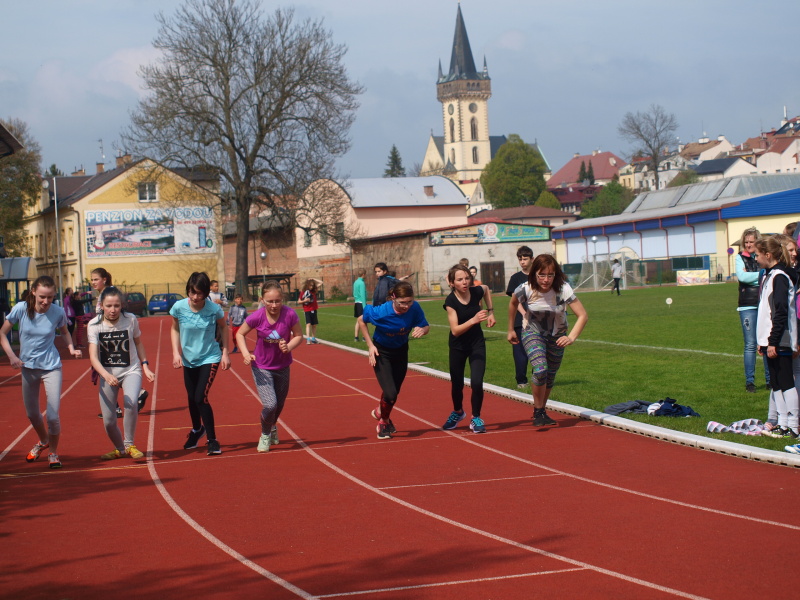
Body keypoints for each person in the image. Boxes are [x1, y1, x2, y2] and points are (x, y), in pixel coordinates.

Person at [0, 275, 82, 469]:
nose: (46, 301)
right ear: (33, 292)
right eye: (42, 297)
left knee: (52, 416)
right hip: (28, 368)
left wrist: (71, 348)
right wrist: (12, 356)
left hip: (51, 367)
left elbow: (64, 331)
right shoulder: (21, 309)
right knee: (32, 414)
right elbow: (2, 333)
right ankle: (44, 440)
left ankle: (53, 452)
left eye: (50, 297)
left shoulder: (57, 311)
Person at [508, 254, 588, 427]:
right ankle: (538, 411)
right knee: (540, 369)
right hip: (532, 332)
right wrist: (510, 329)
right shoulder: (526, 288)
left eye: (550, 275)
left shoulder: (563, 289)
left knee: (550, 375)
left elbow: (582, 315)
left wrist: (571, 337)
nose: (546, 280)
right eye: (542, 275)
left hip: (557, 336)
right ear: (534, 274)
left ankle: (541, 410)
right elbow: (513, 303)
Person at [88, 286, 155, 460]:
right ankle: (120, 449)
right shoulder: (94, 325)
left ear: (122, 305)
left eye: (116, 306)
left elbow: (138, 343)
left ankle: (129, 444)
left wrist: (145, 366)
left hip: (130, 370)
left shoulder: (130, 319)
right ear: (101, 306)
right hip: (107, 374)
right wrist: (106, 375)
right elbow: (93, 357)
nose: (113, 310)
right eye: (109, 306)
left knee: (130, 403)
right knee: (109, 421)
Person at [235, 281, 303, 452]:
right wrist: (245, 354)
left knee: (279, 404)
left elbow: (299, 335)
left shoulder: (290, 314)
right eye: (270, 301)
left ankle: (272, 426)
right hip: (261, 366)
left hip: (282, 366)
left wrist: (289, 346)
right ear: (262, 300)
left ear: (282, 299)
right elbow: (240, 333)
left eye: (277, 301)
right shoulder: (257, 316)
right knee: (270, 404)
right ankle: (265, 435)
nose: (274, 305)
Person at [358, 280, 430, 439]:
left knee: (394, 392)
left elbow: (426, 326)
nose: (406, 306)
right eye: (402, 302)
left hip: (401, 351)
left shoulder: (415, 308)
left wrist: (423, 330)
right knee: (390, 393)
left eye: (409, 302)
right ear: (393, 298)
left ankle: (380, 411)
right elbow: (361, 320)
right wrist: (370, 346)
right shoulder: (381, 312)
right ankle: (383, 422)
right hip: (382, 352)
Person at [170, 272, 231, 455]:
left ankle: (212, 440)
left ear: (205, 293)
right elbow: (174, 329)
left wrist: (225, 353)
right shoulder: (179, 307)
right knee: (191, 398)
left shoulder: (214, 309)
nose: (195, 297)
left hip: (209, 357)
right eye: (192, 292)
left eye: (199, 293)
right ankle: (197, 430)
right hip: (189, 359)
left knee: (200, 397)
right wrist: (175, 353)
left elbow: (224, 327)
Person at [752, 237, 798, 441]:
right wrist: (762, 341)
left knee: (786, 382)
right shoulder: (769, 276)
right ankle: (782, 423)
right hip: (769, 340)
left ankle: (794, 426)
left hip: (780, 339)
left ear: (768, 255)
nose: (755, 258)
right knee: (776, 383)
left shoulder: (780, 277)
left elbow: (780, 312)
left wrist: (772, 341)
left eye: (757, 254)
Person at [442, 264, 495, 433]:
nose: (465, 282)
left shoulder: (476, 291)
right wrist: (473, 320)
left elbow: (486, 289)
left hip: (476, 344)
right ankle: (458, 412)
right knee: (457, 384)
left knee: (477, 382)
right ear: (452, 283)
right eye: (460, 279)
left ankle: (476, 417)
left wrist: (491, 312)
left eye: (467, 278)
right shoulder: (450, 301)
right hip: (458, 346)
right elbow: (455, 330)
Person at [735, 227, 770, 393]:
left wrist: (753, 276)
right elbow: (742, 277)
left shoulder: (763, 256)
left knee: (766, 342)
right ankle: (750, 382)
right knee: (750, 344)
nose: (748, 245)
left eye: (751, 241)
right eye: (746, 242)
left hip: (764, 303)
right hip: (747, 305)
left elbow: (768, 274)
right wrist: (761, 275)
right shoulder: (740, 257)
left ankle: (770, 380)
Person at [506, 246, 534, 389]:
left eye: (525, 259)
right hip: (520, 321)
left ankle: (538, 379)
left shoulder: (539, 276)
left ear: (532, 259)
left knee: (538, 351)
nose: (522, 262)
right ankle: (521, 380)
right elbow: (514, 301)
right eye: (520, 259)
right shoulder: (516, 278)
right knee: (520, 352)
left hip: (538, 320)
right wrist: (524, 314)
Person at [300, 277, 323, 344]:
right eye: (310, 285)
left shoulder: (313, 291)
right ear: (307, 285)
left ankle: (313, 339)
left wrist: (313, 279)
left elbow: (321, 282)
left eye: (312, 285)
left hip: (314, 309)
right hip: (307, 310)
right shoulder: (303, 292)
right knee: (308, 324)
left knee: (314, 325)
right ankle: (308, 339)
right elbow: (299, 301)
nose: (311, 287)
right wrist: (305, 301)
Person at [353, 269, 367, 341]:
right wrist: (364, 306)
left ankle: (356, 337)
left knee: (358, 320)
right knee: (364, 321)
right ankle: (364, 337)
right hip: (361, 303)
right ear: (363, 274)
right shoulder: (361, 283)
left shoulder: (355, 282)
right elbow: (362, 295)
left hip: (356, 302)